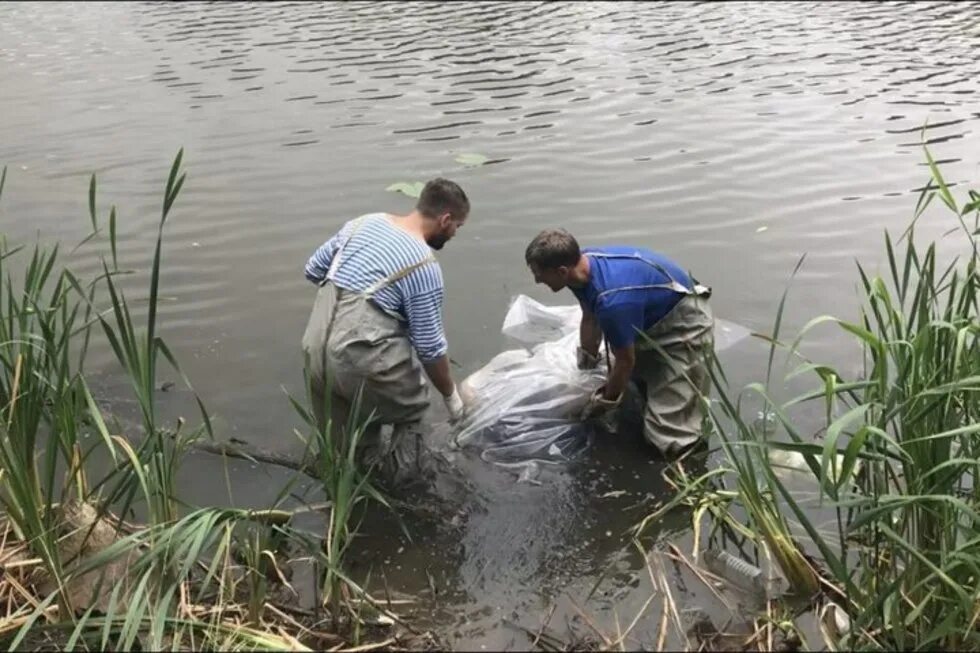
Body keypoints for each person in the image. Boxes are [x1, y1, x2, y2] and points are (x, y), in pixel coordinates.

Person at [301, 178, 469, 482]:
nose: (455, 233)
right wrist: (450, 397)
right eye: (457, 226)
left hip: (314, 351)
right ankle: (404, 487)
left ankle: (355, 497)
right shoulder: (422, 264)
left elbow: (313, 269)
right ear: (445, 220)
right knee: (415, 410)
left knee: (349, 449)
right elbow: (430, 348)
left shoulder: (362, 224)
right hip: (359, 360)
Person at [524, 229, 714, 456]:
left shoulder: (613, 303)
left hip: (684, 326)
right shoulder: (581, 267)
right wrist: (586, 365)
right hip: (647, 317)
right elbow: (589, 316)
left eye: (539, 274)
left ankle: (687, 467)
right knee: (635, 391)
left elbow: (625, 360)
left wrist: (604, 403)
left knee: (668, 437)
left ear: (562, 271)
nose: (537, 280)